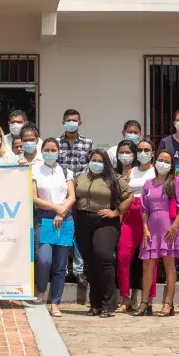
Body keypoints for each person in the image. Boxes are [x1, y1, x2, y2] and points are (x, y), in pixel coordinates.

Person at [74, 149, 132, 317]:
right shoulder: (81, 178)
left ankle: (109, 304)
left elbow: (129, 197)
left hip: (105, 221)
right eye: (93, 160)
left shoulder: (114, 179)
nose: (96, 163)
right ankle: (95, 304)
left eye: (100, 161)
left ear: (105, 162)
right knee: (90, 261)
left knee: (103, 256)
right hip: (83, 221)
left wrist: (116, 212)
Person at [138, 149, 179, 317]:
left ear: (172, 165)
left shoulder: (176, 182)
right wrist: (145, 228)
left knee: (169, 265)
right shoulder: (148, 184)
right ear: (155, 160)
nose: (163, 164)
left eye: (167, 161)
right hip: (151, 228)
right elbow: (144, 209)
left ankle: (168, 302)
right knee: (148, 266)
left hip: (169, 228)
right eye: (160, 160)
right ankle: (145, 302)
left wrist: (174, 227)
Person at [31, 138, 75, 317]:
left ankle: (55, 302)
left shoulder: (65, 171)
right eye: (46, 150)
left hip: (65, 219)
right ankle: (40, 291)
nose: (50, 153)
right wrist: (55, 208)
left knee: (60, 263)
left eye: (53, 150)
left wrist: (61, 211)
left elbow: (72, 196)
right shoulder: (35, 171)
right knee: (44, 259)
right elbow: (34, 198)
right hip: (44, 218)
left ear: (59, 152)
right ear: (41, 151)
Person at [115, 139, 156, 312]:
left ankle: (147, 299)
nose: (143, 152)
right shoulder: (130, 171)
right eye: (140, 149)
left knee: (149, 260)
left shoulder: (157, 171)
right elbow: (121, 193)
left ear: (153, 153)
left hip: (150, 217)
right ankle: (126, 298)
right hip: (130, 216)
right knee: (123, 256)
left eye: (147, 149)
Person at [57, 109, 93, 285]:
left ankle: (78, 270)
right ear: (63, 121)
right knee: (63, 232)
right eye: (68, 120)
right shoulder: (56, 143)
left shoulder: (88, 143)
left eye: (75, 120)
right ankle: (62, 270)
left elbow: (92, 168)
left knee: (78, 233)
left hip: (80, 195)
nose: (71, 122)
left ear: (80, 122)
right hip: (60, 196)